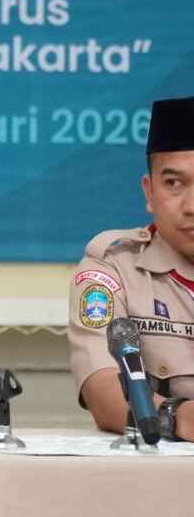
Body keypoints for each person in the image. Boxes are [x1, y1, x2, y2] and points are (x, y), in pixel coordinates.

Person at [69, 95, 194, 441]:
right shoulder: (112, 270)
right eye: (174, 183)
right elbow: (103, 390)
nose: (191, 206)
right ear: (150, 192)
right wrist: (177, 416)